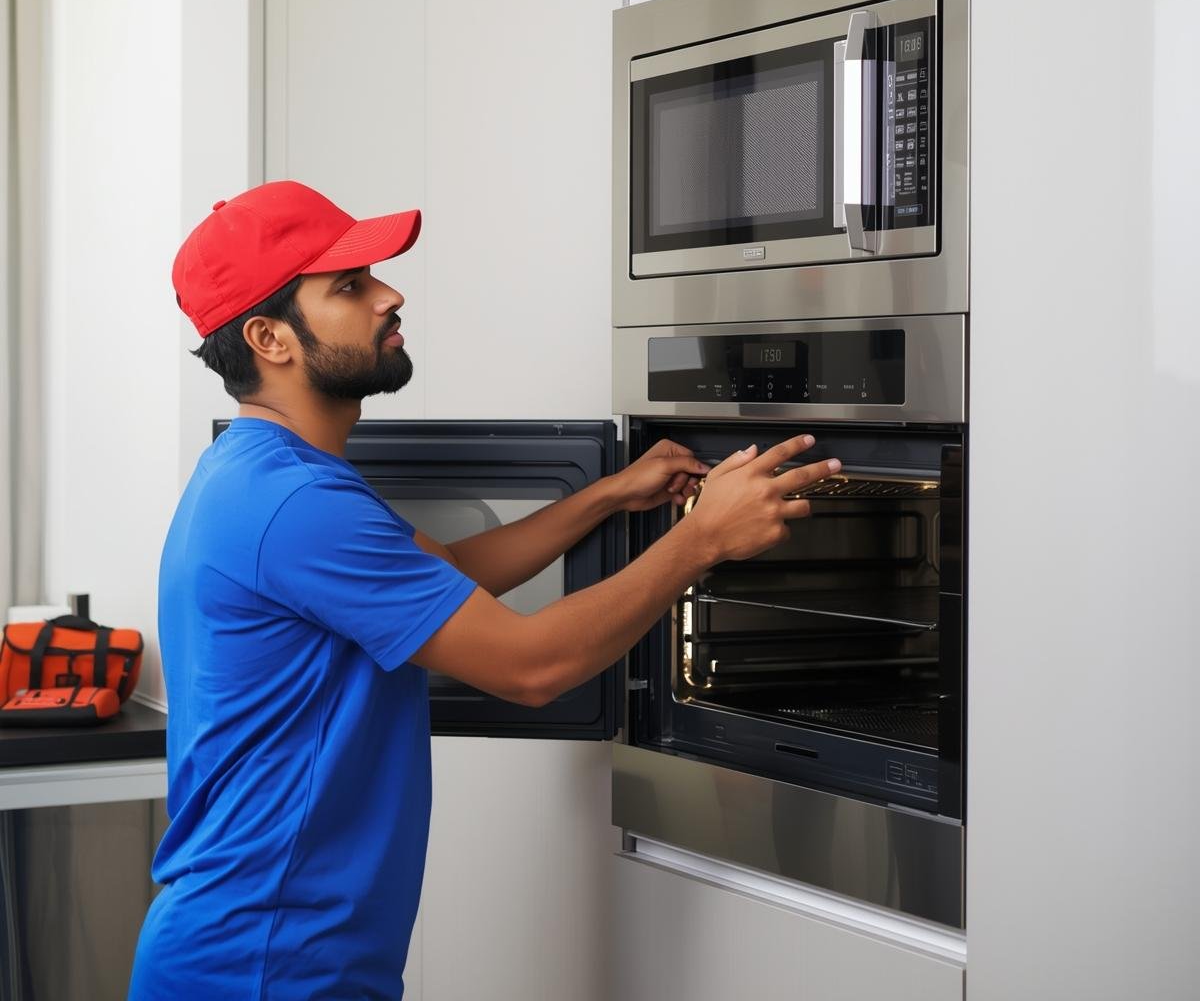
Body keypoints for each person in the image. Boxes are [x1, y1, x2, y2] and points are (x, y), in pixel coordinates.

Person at [128, 180, 841, 999]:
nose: (391, 294)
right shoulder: (296, 505)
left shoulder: (265, 477)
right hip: (263, 966)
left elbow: (445, 579)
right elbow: (529, 667)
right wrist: (700, 539)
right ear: (269, 338)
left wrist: (607, 495)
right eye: (351, 286)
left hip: (272, 950)